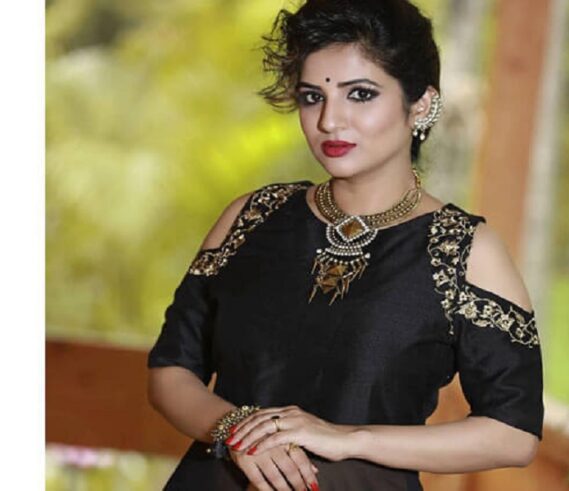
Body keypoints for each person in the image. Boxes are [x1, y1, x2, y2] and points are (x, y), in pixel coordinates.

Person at [146, 0, 544, 489]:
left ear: (420, 104)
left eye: (360, 94)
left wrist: (347, 438)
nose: (330, 121)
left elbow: (513, 433)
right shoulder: (253, 217)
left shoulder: (465, 250)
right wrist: (237, 431)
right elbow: (170, 371)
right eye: (312, 97)